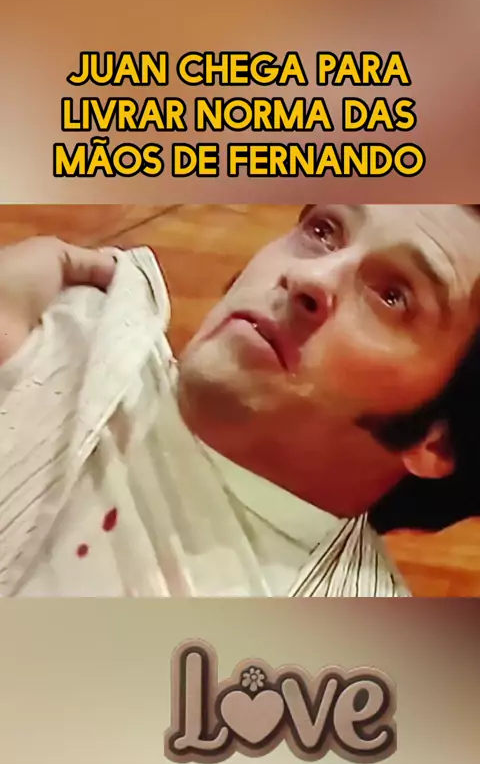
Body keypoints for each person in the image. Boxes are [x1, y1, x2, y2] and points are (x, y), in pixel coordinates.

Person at [1, 205, 479, 597]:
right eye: (322, 231)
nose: (308, 276)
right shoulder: (48, 320)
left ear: (437, 443)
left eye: (393, 296)